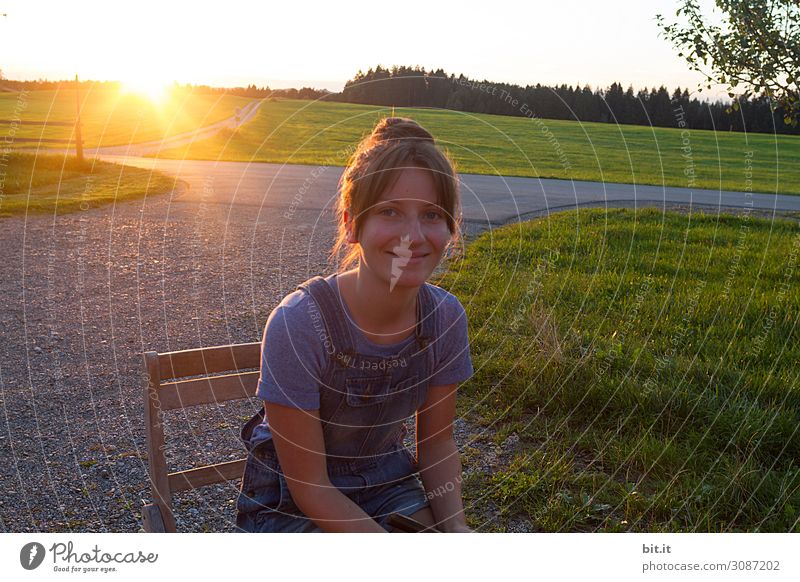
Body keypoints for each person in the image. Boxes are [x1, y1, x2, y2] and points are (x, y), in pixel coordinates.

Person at [235, 116, 474, 533]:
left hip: (388, 485)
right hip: (291, 502)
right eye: (390, 211)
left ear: (450, 227)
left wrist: (456, 531)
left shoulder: (445, 319)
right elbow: (310, 487)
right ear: (351, 223)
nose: (413, 236)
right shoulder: (299, 324)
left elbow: (436, 445)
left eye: (432, 215)